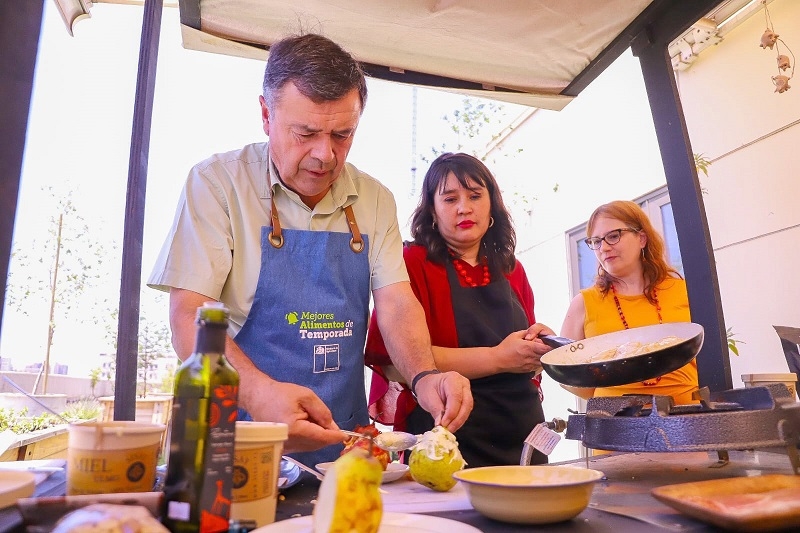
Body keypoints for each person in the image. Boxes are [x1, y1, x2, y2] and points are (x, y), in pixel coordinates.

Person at [147, 33, 473, 467]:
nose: (325, 155)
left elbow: (396, 302)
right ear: (266, 114)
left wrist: (424, 376)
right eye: (305, 133)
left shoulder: (374, 199)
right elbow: (189, 318)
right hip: (236, 443)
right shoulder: (217, 184)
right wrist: (261, 394)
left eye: (343, 134)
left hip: (343, 448)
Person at [365, 153, 556, 468]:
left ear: (491, 204)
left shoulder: (512, 269)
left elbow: (527, 357)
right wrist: (498, 358)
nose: (464, 207)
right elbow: (394, 364)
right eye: (450, 198)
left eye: (475, 196)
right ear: (433, 211)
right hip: (445, 433)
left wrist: (539, 348)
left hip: (520, 433)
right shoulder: (411, 263)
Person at [560, 200, 699, 404]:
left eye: (614, 236)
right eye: (596, 241)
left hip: (687, 422)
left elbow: (711, 360)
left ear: (642, 238)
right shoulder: (583, 303)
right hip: (615, 425)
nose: (604, 248)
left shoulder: (684, 291)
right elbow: (569, 375)